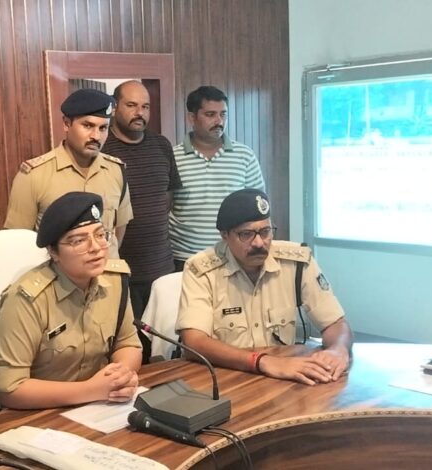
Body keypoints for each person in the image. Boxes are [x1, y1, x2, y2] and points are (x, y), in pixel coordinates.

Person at [176, 189, 353, 385]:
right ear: (224, 235)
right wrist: (261, 361)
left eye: (265, 231)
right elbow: (194, 342)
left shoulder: (297, 262)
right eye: (246, 234)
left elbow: (334, 323)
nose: (259, 243)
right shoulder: (201, 270)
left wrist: (338, 349)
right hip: (224, 377)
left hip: (283, 379)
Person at [0, 192, 142, 409]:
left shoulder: (115, 281)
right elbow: (8, 388)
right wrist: (90, 390)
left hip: (98, 407)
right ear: (53, 252)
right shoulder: (27, 299)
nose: (95, 247)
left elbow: (128, 343)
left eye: (100, 235)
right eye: (78, 241)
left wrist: (121, 376)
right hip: (39, 413)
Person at [4, 89, 132, 257]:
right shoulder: (33, 175)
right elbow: (17, 242)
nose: (96, 136)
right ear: (66, 124)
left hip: (107, 271)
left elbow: (118, 231)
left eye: (103, 128)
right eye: (87, 126)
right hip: (57, 273)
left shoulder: (116, 171)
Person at [102, 80, 182, 320]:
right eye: (131, 105)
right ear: (115, 107)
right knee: (130, 338)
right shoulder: (102, 149)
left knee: (166, 338)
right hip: (120, 271)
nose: (140, 113)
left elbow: (167, 198)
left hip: (162, 269)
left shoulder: (162, 145)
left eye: (145, 107)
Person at [170, 86, 266, 271]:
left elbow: (258, 210)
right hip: (185, 259)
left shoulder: (244, 155)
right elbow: (164, 207)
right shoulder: (173, 157)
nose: (219, 121)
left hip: (233, 257)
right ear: (192, 117)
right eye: (210, 114)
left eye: (223, 114)